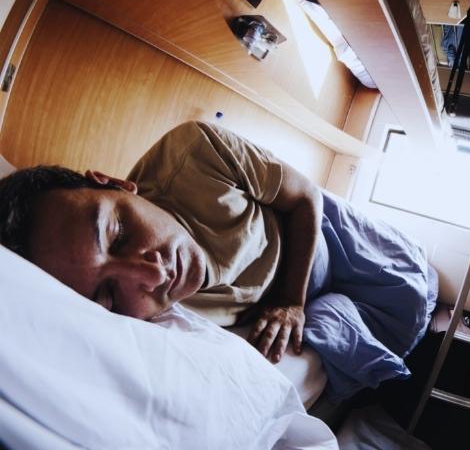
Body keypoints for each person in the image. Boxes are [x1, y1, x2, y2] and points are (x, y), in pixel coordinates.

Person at [0, 121, 437, 399]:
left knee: (414, 287)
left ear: (115, 185)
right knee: (377, 337)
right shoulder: (147, 327)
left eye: (118, 233)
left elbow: (304, 197)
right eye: (110, 296)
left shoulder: (194, 154)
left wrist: (291, 301)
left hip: (315, 234)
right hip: (302, 295)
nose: (154, 275)